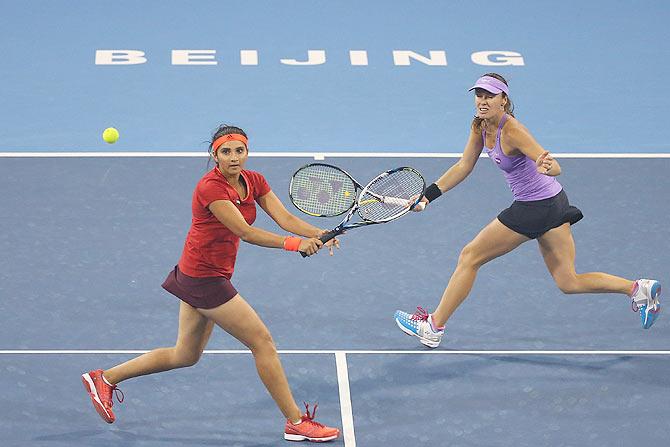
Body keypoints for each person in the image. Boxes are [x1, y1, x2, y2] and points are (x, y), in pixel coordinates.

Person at [82, 124, 340, 442]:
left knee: (185, 355)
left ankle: (104, 378)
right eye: (226, 152)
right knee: (262, 343)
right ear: (214, 155)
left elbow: (284, 217)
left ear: (247, 151)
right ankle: (295, 421)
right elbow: (245, 232)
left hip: (199, 273)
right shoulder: (210, 188)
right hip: (205, 278)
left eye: (239, 151)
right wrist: (294, 244)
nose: (234, 158)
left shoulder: (254, 180)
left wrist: (315, 233)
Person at [394, 73, 662, 348]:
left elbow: (552, 164)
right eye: (479, 95)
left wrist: (548, 167)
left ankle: (433, 327)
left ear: (504, 100)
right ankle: (636, 288)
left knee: (470, 256)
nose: (483, 101)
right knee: (568, 281)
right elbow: (464, 166)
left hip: (537, 206)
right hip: (554, 202)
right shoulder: (479, 126)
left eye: (489, 96)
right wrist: (428, 196)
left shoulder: (513, 131)